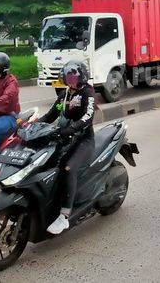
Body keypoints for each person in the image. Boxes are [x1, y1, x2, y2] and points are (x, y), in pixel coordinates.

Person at [41, 61, 97, 235]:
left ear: (81, 77)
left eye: (74, 75)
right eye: (68, 76)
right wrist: (31, 125)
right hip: (64, 139)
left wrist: (71, 129)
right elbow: (51, 115)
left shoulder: (87, 92)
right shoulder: (64, 96)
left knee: (68, 168)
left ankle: (64, 216)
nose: (70, 79)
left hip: (83, 140)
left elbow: (88, 116)